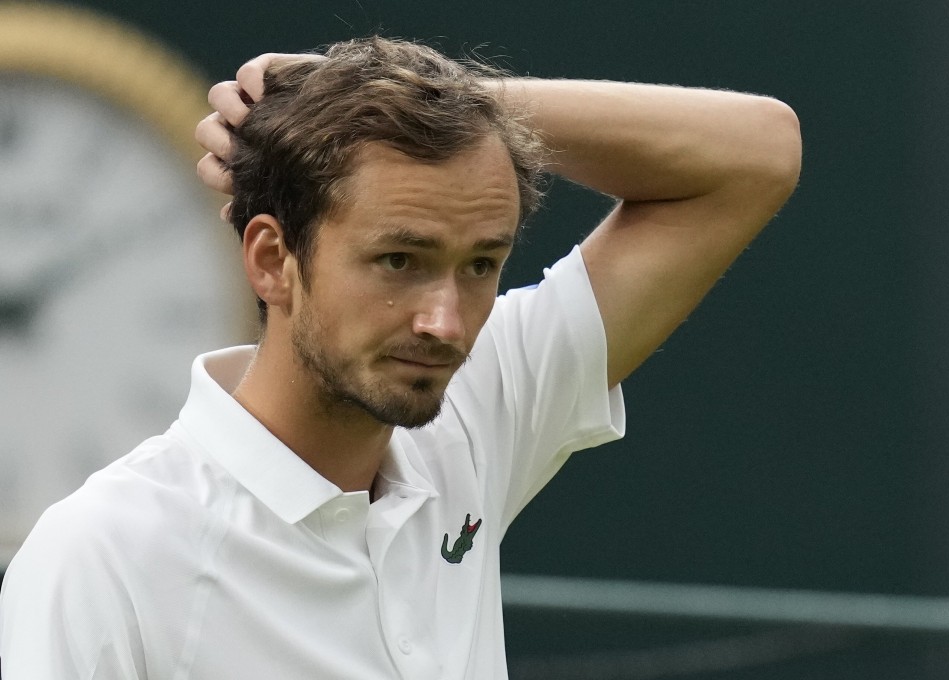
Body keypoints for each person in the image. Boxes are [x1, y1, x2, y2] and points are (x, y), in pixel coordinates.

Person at [0, 37, 800, 679]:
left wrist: (450, 104)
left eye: (481, 264)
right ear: (273, 260)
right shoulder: (103, 555)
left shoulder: (469, 407)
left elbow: (757, 152)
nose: (445, 322)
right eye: (398, 261)